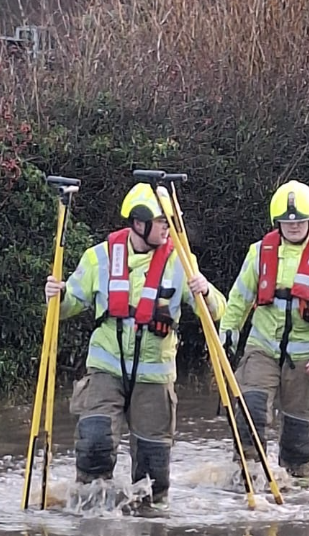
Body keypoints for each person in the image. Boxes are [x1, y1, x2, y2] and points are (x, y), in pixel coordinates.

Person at [44, 182, 227, 510]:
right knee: (95, 442)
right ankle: (91, 518)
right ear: (140, 224)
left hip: (154, 377)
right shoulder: (98, 257)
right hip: (106, 369)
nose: (167, 229)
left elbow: (216, 312)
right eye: (162, 223)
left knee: (153, 469)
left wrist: (206, 292)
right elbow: (69, 305)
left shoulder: (180, 261)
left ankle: (148, 530)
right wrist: (57, 295)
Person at [219, 180, 309, 490]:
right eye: (287, 221)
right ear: (277, 222)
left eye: (299, 221)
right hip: (262, 347)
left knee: (297, 438)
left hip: (306, 357)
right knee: (250, 408)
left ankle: (295, 489)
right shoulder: (258, 254)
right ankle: (248, 477)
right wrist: (227, 333)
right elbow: (239, 299)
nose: (293, 226)